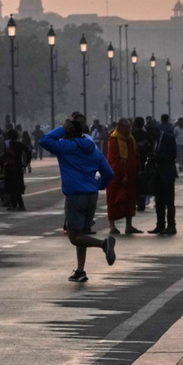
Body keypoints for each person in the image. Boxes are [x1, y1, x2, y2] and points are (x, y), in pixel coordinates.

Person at [39, 117, 117, 282]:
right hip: (92, 195)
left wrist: (61, 129)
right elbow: (109, 173)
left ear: (68, 132)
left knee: (74, 237)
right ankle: (81, 270)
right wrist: (100, 185)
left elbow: (44, 141)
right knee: (82, 234)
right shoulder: (93, 149)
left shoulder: (66, 147)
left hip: (75, 195)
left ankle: (104, 245)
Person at [106, 118, 141, 235]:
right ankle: (112, 226)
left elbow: (135, 154)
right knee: (113, 199)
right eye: (126, 128)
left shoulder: (130, 138)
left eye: (129, 128)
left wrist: (137, 168)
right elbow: (113, 160)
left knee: (130, 200)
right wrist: (123, 173)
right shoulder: (114, 139)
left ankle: (129, 225)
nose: (128, 130)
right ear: (119, 128)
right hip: (116, 176)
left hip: (130, 174)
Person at [148, 118, 179, 235]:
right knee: (159, 201)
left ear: (156, 130)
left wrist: (158, 157)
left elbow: (173, 155)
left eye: (152, 133)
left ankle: (171, 225)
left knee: (169, 202)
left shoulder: (169, 138)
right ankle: (160, 224)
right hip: (157, 174)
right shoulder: (154, 140)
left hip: (168, 173)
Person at [1, 128, 30, 210]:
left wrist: (2, 166)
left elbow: (3, 157)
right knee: (17, 186)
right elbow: (28, 152)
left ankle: (14, 205)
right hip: (18, 167)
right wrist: (26, 163)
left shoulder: (7, 145)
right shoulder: (20, 145)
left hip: (8, 167)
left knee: (10, 187)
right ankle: (20, 205)